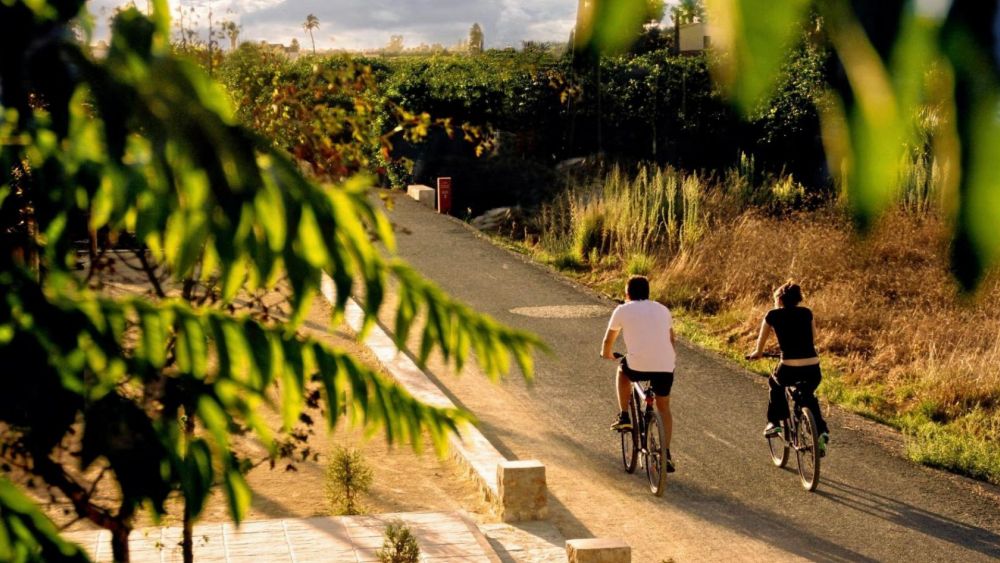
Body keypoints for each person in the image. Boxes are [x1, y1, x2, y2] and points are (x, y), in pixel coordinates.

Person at [601, 275, 676, 472]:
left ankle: (624, 416)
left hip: (637, 365)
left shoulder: (622, 310)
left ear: (627, 294)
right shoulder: (662, 309)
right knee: (664, 407)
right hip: (666, 364)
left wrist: (606, 354)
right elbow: (671, 339)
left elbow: (608, 341)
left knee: (622, 372)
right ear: (648, 293)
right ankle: (665, 453)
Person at [746, 281, 830, 455]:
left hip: (790, 366)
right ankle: (820, 432)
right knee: (806, 395)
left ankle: (774, 423)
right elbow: (813, 337)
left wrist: (757, 354)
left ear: (779, 299)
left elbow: (759, 346)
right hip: (813, 366)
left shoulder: (772, 315)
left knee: (775, 383)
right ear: (798, 299)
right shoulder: (807, 312)